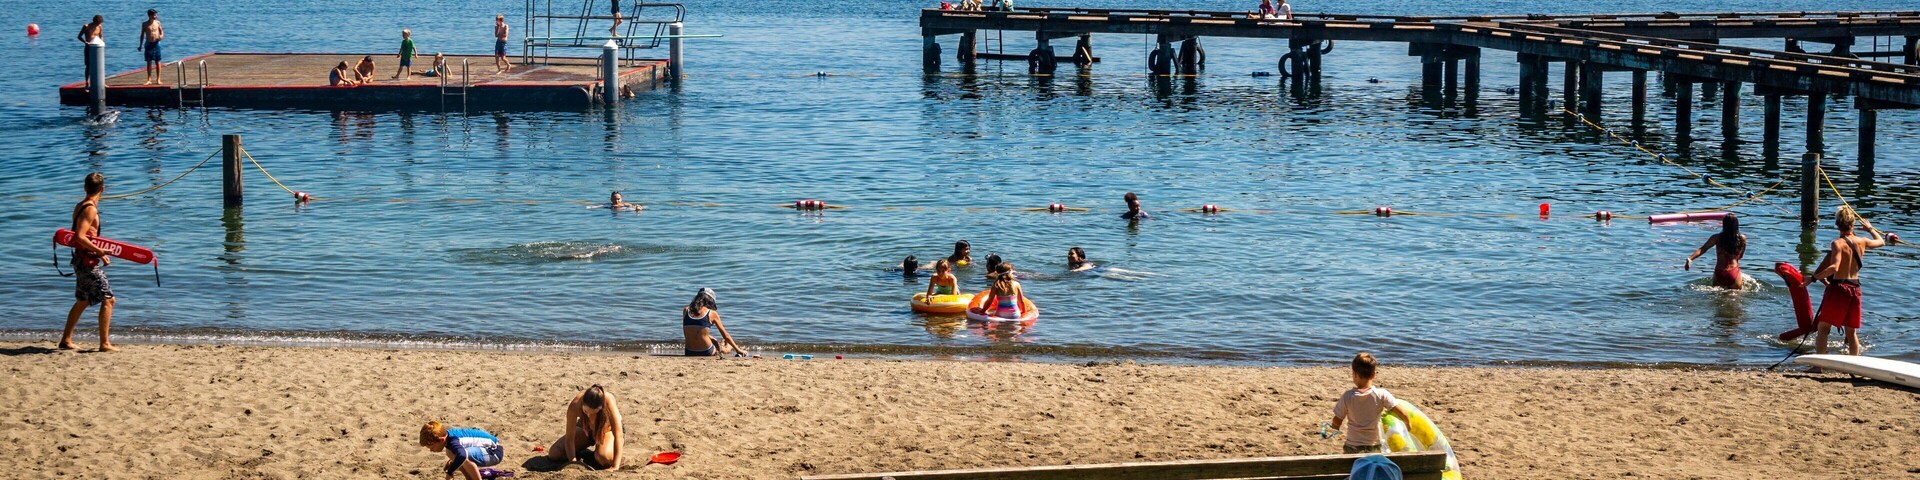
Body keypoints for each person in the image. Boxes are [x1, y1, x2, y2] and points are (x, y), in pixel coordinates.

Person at [1803, 207, 1895, 356]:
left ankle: (1818, 366)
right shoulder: (1862, 241)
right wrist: (1870, 229)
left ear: (1837, 224)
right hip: (1855, 288)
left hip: (1839, 289)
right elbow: (1881, 242)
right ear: (1852, 224)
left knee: (1823, 328)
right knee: (1851, 332)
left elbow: (1834, 267)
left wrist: (1812, 278)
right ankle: (1855, 364)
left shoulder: (1837, 243)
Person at [61, 173, 117, 352]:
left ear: (85, 188)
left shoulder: (80, 205)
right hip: (86, 262)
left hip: (81, 259)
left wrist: (97, 251)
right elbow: (79, 236)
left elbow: (81, 236)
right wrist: (100, 253)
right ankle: (105, 344)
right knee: (109, 299)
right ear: (102, 189)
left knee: (83, 300)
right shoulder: (90, 209)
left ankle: (66, 340)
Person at [1330, 352, 1410, 454]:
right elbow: (1403, 413)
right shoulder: (1381, 394)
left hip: (1353, 446)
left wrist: (1335, 426)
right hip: (1374, 445)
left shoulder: (1348, 396)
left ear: (1354, 374)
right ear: (1373, 375)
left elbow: (1337, 420)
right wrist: (1408, 423)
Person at [545, 385, 624, 471]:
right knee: (555, 453)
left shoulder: (608, 401)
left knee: (604, 458)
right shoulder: (575, 404)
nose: (589, 416)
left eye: (593, 413)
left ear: (600, 408)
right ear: (582, 403)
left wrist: (615, 466)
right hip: (586, 430)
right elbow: (569, 438)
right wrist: (573, 462)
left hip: (606, 431)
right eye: (586, 412)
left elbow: (618, 435)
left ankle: (599, 453)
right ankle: (588, 454)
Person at [420, 421, 505, 480]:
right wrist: (453, 462)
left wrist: (450, 472)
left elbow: (463, 455)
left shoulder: (453, 441)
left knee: (462, 456)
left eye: (431, 447)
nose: (431, 450)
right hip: (486, 450)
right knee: (451, 453)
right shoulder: (447, 437)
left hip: (494, 453)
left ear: (441, 440)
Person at [1684, 213, 1747, 289]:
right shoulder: (1742, 238)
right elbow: (1740, 256)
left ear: (1724, 224)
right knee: (1735, 299)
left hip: (1719, 272)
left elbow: (1702, 249)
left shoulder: (1716, 238)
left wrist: (1690, 258)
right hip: (1734, 272)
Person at [681, 288, 743, 356]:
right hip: (706, 351)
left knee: (711, 339)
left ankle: (720, 343)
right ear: (710, 300)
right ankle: (729, 346)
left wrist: (710, 337)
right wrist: (738, 350)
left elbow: (687, 333)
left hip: (689, 351)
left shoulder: (686, 310)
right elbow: (726, 335)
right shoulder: (712, 313)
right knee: (726, 348)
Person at [139, 10, 164, 85]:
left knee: (158, 61)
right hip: (148, 44)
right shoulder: (145, 24)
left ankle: (158, 79)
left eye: (156, 15)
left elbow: (161, 32)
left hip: (156, 43)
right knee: (149, 62)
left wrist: (161, 37)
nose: (156, 16)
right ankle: (149, 79)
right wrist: (140, 45)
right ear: (150, 15)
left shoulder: (158, 23)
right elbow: (142, 35)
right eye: (154, 15)